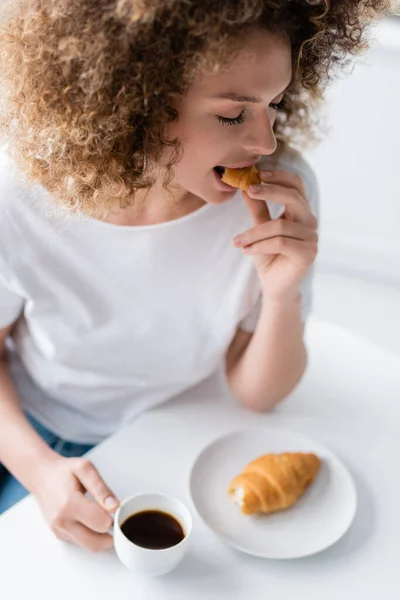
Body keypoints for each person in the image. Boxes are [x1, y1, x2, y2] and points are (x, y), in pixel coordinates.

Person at [0, 0, 386, 551]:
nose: (265, 143)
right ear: (135, 100)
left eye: (273, 105)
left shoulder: (279, 201)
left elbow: (258, 394)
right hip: (28, 431)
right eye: (233, 114)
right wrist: (39, 470)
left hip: (178, 432)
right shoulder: (18, 199)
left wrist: (281, 294)